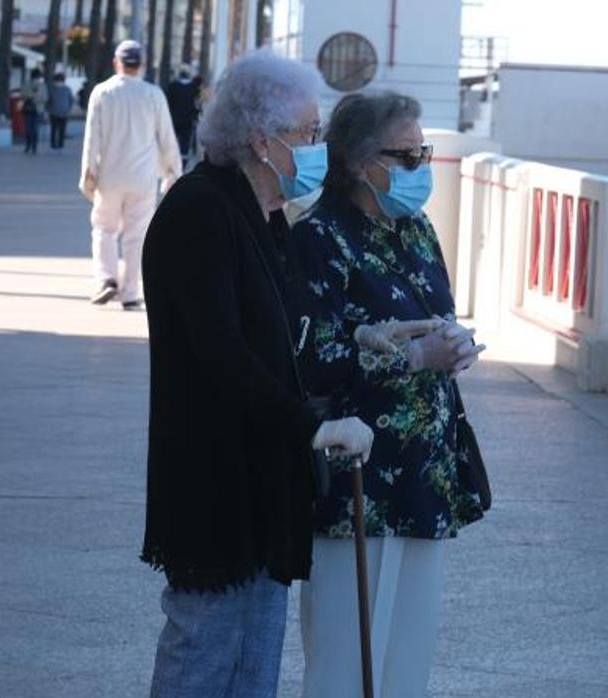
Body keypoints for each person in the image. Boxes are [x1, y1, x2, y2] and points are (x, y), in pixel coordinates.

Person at [141, 51, 375, 698]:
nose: (316, 147)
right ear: (258, 140)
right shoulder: (199, 210)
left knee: (254, 652)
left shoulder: (269, 215)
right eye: (305, 134)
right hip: (213, 467)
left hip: (265, 470)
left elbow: (289, 336)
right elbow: (218, 351)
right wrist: (310, 427)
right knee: (205, 644)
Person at [285, 91, 487, 698]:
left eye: (423, 153)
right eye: (406, 156)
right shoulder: (317, 237)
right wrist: (410, 358)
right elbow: (313, 360)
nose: (419, 168)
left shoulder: (416, 229)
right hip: (357, 477)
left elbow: (435, 311)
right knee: (346, 654)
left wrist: (449, 343)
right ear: (358, 161)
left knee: (408, 650)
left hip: (423, 473)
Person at [80, 40, 181, 310]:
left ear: (117, 63)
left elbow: (92, 140)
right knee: (137, 236)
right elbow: (167, 139)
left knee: (104, 229)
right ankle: (130, 293)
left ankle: (106, 279)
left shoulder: (102, 93)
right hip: (143, 179)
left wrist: (88, 177)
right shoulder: (153, 94)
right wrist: (173, 172)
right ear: (142, 65)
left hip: (109, 177)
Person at [163, 63, 202, 164]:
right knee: (184, 146)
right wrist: (197, 115)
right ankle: (182, 165)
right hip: (188, 121)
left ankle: (171, 162)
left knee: (172, 143)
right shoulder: (194, 88)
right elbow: (197, 104)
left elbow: (167, 102)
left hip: (173, 120)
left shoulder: (172, 86)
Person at [20, 68, 47, 155]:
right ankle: (34, 147)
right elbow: (45, 98)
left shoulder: (26, 84)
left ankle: (28, 146)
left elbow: (22, 95)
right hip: (38, 109)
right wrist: (36, 98)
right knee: (35, 128)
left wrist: (30, 96)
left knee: (28, 128)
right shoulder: (42, 86)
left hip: (28, 109)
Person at [47, 72, 74, 151]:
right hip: (64, 112)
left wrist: (48, 109)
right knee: (62, 129)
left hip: (53, 111)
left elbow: (49, 100)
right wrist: (68, 108)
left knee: (54, 128)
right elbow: (71, 100)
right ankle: (60, 144)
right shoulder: (67, 89)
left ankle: (53, 144)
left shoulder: (52, 89)